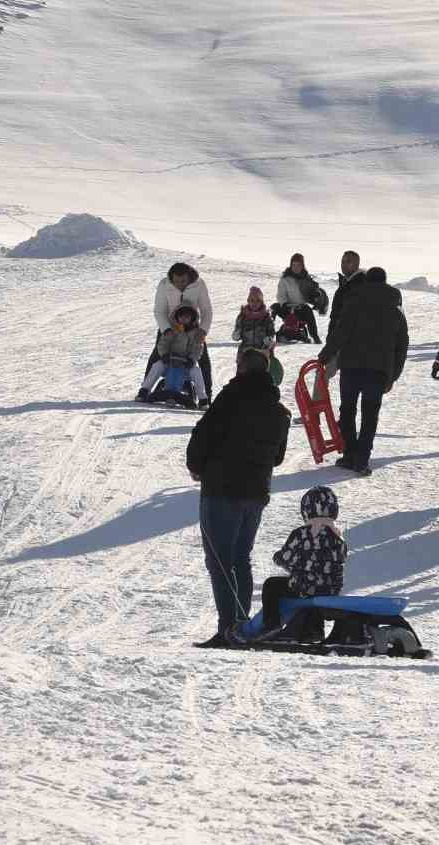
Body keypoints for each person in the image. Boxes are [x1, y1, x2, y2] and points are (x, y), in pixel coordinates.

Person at [187, 348, 292, 647]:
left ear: (240, 367)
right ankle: (242, 626)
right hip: (256, 493)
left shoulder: (230, 399)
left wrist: (197, 467)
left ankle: (228, 629)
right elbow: (278, 457)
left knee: (220, 561)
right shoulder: (279, 411)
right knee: (240, 559)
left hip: (222, 489)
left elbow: (202, 435)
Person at [320, 266, 409, 476]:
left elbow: (341, 331)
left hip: (351, 366)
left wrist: (325, 355)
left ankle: (350, 454)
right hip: (378, 371)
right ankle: (362, 460)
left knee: (348, 411)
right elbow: (402, 344)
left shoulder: (354, 300)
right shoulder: (396, 307)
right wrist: (393, 375)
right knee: (370, 415)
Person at [256, 486, 347, 635]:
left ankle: (271, 624)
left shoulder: (301, 534)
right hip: (330, 590)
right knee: (307, 583)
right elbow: (340, 559)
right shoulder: (338, 537)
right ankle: (314, 628)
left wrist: (278, 558)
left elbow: (287, 557)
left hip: (304, 588)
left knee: (271, 585)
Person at [154, 263, 215, 399]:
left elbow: (206, 310)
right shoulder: (165, 285)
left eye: (183, 281)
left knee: (202, 359)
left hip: (192, 329)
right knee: (157, 356)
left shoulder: (199, 285)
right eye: (176, 281)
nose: (180, 284)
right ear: (171, 278)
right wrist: (166, 329)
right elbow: (159, 311)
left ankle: (207, 396)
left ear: (189, 278)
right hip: (169, 328)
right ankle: (145, 391)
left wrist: (203, 331)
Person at [139, 305, 209, 406]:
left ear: (192, 318)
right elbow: (163, 344)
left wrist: (192, 360)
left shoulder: (196, 333)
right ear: (177, 317)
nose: (183, 319)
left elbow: (198, 348)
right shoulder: (172, 330)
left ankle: (203, 399)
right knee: (157, 366)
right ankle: (144, 391)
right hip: (170, 361)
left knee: (196, 371)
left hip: (186, 365)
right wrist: (164, 355)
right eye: (181, 316)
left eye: (187, 317)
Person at [276, 253, 328, 343]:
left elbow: (313, 291)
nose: (296, 267)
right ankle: (266, 333)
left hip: (300, 307)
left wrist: (315, 296)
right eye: (294, 265)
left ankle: (315, 336)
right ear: (291, 265)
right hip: (287, 307)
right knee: (273, 307)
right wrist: (284, 303)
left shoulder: (306, 279)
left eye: (298, 265)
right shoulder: (285, 279)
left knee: (308, 311)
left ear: (302, 266)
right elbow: (280, 294)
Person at [233, 286, 277, 366]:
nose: (254, 303)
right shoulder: (243, 316)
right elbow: (237, 333)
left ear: (261, 302)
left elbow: (272, 333)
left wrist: (269, 339)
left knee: (261, 373)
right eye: (252, 300)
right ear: (248, 301)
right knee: (243, 373)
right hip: (246, 351)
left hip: (262, 350)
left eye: (258, 301)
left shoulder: (266, 317)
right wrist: (237, 333)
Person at [329, 250, 366, 328]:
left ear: (357, 264)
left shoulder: (360, 285)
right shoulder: (346, 284)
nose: (344, 264)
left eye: (348, 261)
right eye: (342, 262)